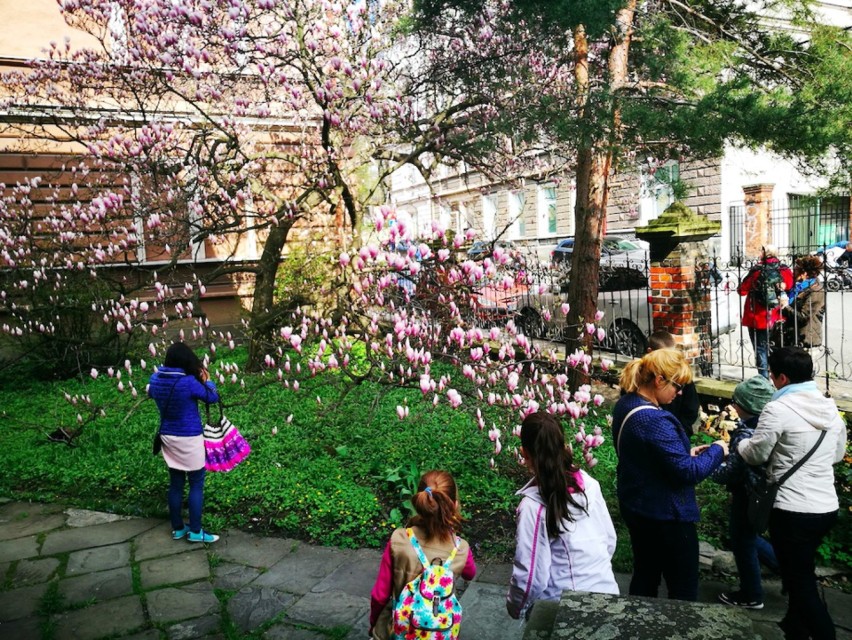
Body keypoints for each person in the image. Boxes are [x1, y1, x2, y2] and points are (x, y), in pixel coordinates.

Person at [737, 347, 847, 640]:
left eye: (772, 376)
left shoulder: (778, 409)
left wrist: (738, 444)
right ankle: (794, 629)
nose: (771, 382)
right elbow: (837, 455)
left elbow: (756, 454)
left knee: (800, 583)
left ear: (782, 377)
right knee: (801, 573)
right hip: (825, 508)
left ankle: (824, 635)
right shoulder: (831, 409)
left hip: (792, 510)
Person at [612, 348, 728, 601]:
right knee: (683, 587)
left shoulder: (626, 404)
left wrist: (684, 451)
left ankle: (639, 623)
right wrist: (718, 450)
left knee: (645, 574)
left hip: (637, 506)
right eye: (678, 385)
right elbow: (689, 472)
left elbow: (646, 454)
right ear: (658, 380)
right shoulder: (654, 421)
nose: (680, 392)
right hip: (666, 516)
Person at [506, 411, 619, 620]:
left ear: (524, 453)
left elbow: (532, 577)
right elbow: (609, 540)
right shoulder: (589, 485)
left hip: (560, 610)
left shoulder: (533, 507)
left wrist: (516, 608)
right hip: (608, 598)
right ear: (563, 445)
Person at [369, 470, 476, 640]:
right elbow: (470, 573)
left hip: (398, 629)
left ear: (420, 502)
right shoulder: (461, 548)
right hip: (440, 631)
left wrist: (375, 623)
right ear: (454, 505)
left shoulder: (399, 540)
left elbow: (380, 595)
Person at [711, 376, 780, 609]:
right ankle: (791, 571)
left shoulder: (744, 433)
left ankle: (752, 595)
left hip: (747, 494)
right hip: (766, 492)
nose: (732, 405)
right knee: (751, 537)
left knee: (743, 542)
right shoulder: (770, 426)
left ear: (744, 406)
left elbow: (732, 472)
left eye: (735, 401)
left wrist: (709, 464)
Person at [148, 342, 220, 544]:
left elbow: (150, 392)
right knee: (196, 483)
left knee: (176, 484)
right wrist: (208, 380)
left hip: (167, 437)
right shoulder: (188, 382)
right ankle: (196, 531)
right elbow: (212, 397)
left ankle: (178, 528)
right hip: (189, 438)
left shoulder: (155, 379)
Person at [738, 245, 794, 378]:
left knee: (760, 349)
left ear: (765, 253)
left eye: (761, 250)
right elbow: (791, 286)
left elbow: (742, 290)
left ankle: (763, 378)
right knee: (778, 348)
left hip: (757, 317)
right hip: (777, 315)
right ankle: (779, 376)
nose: (759, 252)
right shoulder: (784, 269)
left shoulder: (757, 270)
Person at [647, 330, 700, 434]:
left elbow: (691, 409)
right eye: (665, 355)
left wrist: (678, 431)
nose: (679, 392)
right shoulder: (640, 376)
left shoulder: (681, 375)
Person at [774, 255, 825, 348]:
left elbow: (803, 317)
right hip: (790, 337)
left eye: (796, 270)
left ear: (804, 273)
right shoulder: (798, 287)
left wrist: (785, 306)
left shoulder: (816, 291)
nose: (794, 272)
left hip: (805, 339)